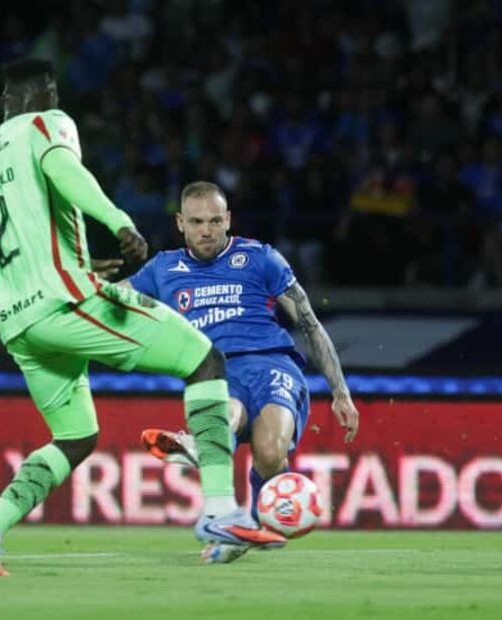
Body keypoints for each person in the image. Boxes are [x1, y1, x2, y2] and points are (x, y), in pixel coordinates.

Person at [0, 59, 283, 576]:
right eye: (52, 93)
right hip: (66, 302)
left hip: (17, 325)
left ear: (3, 101)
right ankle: (219, 509)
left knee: (76, 437)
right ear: (47, 93)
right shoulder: (47, 124)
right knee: (204, 360)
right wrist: (119, 222)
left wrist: (65, 261)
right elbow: (65, 171)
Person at [127, 181, 359, 562]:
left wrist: (340, 391)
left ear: (228, 219)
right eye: (198, 221)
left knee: (270, 453)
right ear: (180, 222)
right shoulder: (162, 269)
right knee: (227, 406)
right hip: (215, 372)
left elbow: (308, 322)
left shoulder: (260, 257)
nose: (207, 230)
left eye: (216, 221)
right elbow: (110, 299)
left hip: (272, 365)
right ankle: (205, 451)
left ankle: (236, 506)